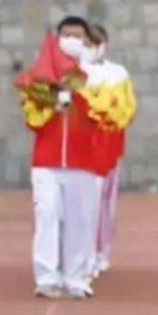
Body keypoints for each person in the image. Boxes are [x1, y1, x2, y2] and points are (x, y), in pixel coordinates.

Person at [17, 16, 111, 299]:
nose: (72, 40)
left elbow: (109, 115)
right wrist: (51, 102)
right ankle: (46, 276)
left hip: (84, 161)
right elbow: (31, 119)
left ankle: (76, 277)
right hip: (47, 160)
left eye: (77, 35)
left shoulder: (98, 78)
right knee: (47, 215)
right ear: (57, 39)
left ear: (86, 41)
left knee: (80, 221)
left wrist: (78, 94)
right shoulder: (40, 75)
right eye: (66, 34)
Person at [84, 24, 136, 278]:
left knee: (106, 204)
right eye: (87, 42)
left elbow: (128, 107)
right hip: (81, 148)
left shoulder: (118, 74)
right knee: (86, 204)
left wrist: (108, 118)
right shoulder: (73, 74)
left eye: (96, 42)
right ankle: (84, 254)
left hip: (109, 145)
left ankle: (102, 251)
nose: (92, 47)